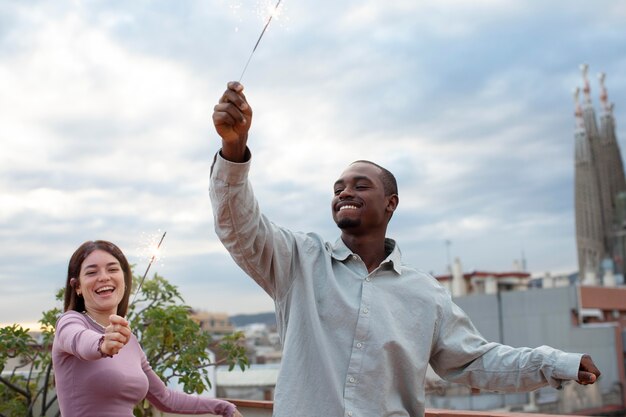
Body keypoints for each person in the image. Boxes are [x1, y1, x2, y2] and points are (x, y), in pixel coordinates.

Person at [210, 81, 601, 417]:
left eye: (360, 185)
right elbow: (239, 227)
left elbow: (476, 361)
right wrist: (234, 149)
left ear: (391, 203)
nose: (344, 191)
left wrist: (557, 364)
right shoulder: (298, 261)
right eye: (338, 188)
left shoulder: (425, 295)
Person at [52, 240, 243, 417]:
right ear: (77, 286)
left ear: (124, 280)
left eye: (112, 269)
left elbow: (166, 398)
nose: (104, 277)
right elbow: (79, 340)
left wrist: (223, 407)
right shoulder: (70, 323)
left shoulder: (129, 340)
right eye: (92, 272)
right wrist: (102, 343)